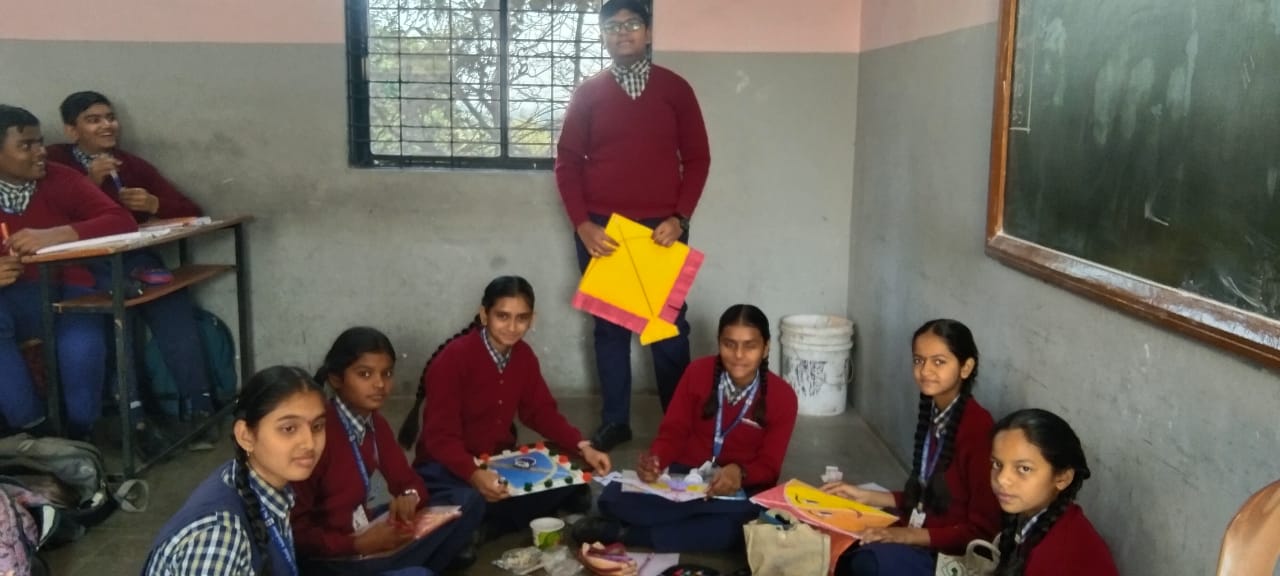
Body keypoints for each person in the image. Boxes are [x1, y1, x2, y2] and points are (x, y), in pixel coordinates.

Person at [555, 0, 711, 451]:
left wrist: (680, 218)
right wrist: (582, 224)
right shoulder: (588, 93)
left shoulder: (675, 89)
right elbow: (567, 163)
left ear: (648, 32)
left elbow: (698, 159)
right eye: (612, 26)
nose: (622, 32)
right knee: (610, 328)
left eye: (632, 24)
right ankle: (615, 421)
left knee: (666, 327)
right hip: (603, 229)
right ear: (603, 35)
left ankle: (678, 427)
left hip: (664, 227)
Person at [47, 91, 216, 453]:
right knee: (115, 313)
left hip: (136, 259)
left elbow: (192, 210)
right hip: (87, 266)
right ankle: (133, 418)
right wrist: (89, 184)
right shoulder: (56, 165)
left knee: (173, 303)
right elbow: (50, 222)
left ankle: (200, 408)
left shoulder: (131, 166)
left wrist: (155, 204)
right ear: (71, 130)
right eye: (93, 120)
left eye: (110, 117)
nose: (107, 125)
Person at [401, 276, 611, 543]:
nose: (512, 327)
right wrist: (473, 474)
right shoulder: (453, 359)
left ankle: (483, 524)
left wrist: (584, 446)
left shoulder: (524, 356)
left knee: (571, 465)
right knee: (467, 498)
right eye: (502, 316)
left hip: (496, 461)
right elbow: (440, 438)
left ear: (532, 319)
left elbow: (541, 412)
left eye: (521, 318)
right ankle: (489, 522)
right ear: (484, 314)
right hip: (446, 467)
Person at [571, 304, 798, 553]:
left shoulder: (783, 396)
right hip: (687, 479)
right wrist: (657, 461)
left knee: (740, 527)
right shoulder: (697, 372)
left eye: (750, 346)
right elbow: (673, 432)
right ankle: (678, 528)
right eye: (729, 344)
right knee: (613, 498)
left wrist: (740, 473)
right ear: (719, 342)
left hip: (739, 489)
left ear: (766, 348)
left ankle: (629, 534)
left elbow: (769, 467)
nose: (738, 355)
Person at [292, 327, 481, 575]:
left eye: (387, 373)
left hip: (366, 527)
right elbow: (297, 533)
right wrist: (357, 544)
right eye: (365, 374)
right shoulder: (317, 433)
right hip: (333, 557)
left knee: (468, 501)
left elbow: (409, 482)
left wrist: (409, 498)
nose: (380, 384)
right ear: (336, 379)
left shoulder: (375, 423)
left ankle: (410, 566)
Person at [822, 319, 1001, 575]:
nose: (925, 370)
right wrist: (864, 496)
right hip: (922, 531)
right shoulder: (936, 414)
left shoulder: (979, 430)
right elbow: (926, 498)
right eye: (919, 360)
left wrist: (904, 536)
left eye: (939, 362)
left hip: (950, 556)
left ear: (966, 367)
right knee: (837, 533)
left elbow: (981, 531)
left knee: (869, 561)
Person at [0, 104, 136, 440]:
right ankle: (33, 430)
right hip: (11, 299)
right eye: (26, 145)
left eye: (40, 142)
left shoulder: (61, 178)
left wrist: (58, 234)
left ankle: (79, 431)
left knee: (80, 347)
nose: (40, 152)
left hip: (68, 288)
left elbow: (122, 220)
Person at [142, 366, 327, 576]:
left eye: (317, 427)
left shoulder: (251, 481)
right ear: (245, 436)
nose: (309, 443)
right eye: (289, 429)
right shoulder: (219, 537)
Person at [989, 409, 1118, 576]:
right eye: (997, 464)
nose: (1002, 479)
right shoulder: (1056, 521)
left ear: (1063, 478)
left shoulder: (1057, 556)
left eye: (1024, 468)